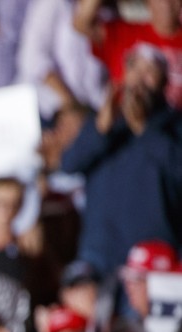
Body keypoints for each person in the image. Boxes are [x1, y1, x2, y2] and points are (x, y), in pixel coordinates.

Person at [60, 43, 182, 278]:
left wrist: (144, 130)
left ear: (164, 82)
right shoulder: (103, 120)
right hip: (99, 257)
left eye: (150, 72)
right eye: (135, 68)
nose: (140, 79)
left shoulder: (174, 125)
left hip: (152, 260)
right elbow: (69, 165)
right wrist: (100, 130)